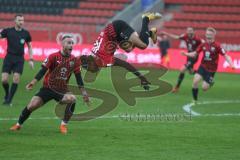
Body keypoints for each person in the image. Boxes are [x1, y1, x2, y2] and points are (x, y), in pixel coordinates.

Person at [10, 35, 89, 134]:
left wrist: (84, 93)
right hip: (47, 88)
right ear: (62, 44)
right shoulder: (53, 56)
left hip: (61, 90)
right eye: (68, 43)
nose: (71, 45)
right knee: (31, 106)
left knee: (72, 99)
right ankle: (18, 125)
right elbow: (42, 71)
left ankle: (64, 125)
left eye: (72, 43)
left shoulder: (75, 61)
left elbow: (79, 78)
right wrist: (33, 82)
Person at [80, 12, 162, 90]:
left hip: (117, 28)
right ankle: (149, 33)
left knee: (143, 45)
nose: (91, 71)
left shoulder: (104, 59)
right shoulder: (93, 56)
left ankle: (145, 18)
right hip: (115, 36)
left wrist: (142, 78)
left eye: (89, 69)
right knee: (129, 49)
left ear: (91, 63)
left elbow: (125, 64)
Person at [181, 27, 235, 103]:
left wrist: (231, 64)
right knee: (195, 81)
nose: (208, 35)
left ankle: (210, 82)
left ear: (213, 35)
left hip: (211, 70)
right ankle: (195, 100)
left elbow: (226, 55)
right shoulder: (203, 45)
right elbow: (195, 54)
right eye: (207, 34)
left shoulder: (217, 46)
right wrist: (186, 54)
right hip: (202, 66)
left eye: (209, 34)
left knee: (204, 88)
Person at [0, 14, 34, 105]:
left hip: (19, 59)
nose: (21, 22)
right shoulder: (8, 31)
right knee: (4, 80)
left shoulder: (26, 33)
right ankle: (7, 93)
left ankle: (9, 100)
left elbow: (30, 46)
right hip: (9, 57)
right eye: (19, 20)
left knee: (16, 79)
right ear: (15, 21)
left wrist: (31, 59)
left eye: (22, 20)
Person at [162, 27, 203, 93]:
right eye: (188, 31)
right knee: (191, 72)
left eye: (190, 31)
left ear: (193, 31)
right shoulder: (185, 36)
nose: (189, 32)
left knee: (182, 69)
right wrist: (167, 33)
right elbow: (176, 37)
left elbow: (203, 43)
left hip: (194, 57)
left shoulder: (197, 39)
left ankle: (177, 87)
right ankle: (202, 74)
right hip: (188, 56)